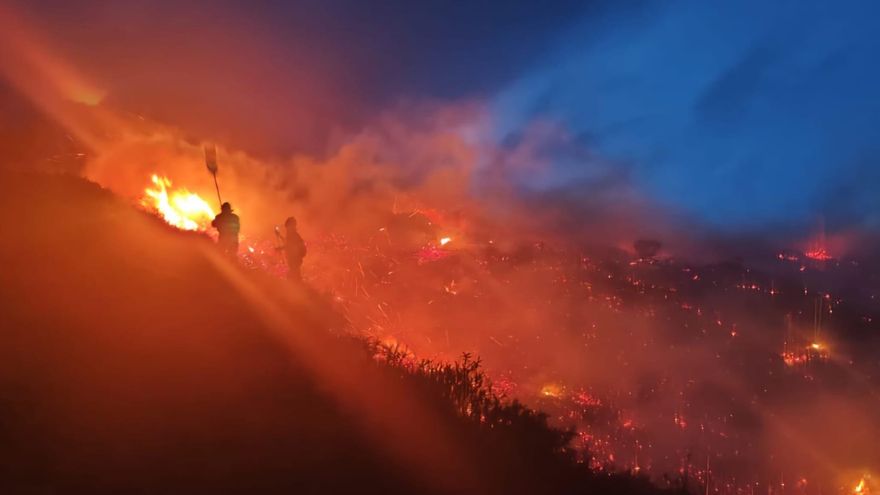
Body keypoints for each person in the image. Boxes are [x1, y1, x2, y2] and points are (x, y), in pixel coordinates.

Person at [283, 216, 307, 282]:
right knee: (294, 275)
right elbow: (288, 246)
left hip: (294, 260)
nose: (287, 229)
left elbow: (292, 247)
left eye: (288, 227)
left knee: (295, 276)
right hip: (293, 260)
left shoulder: (294, 236)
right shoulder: (291, 235)